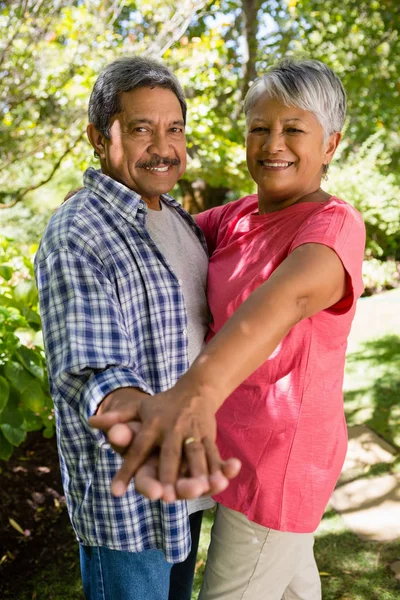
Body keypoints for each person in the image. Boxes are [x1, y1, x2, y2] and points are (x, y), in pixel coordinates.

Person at [90, 58, 366, 600]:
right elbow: (157, 221)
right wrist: (94, 200)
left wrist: (194, 393)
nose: (273, 143)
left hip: (277, 467)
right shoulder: (234, 219)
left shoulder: (333, 225)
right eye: (260, 127)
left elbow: (284, 299)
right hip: (238, 457)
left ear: (330, 145)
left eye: (294, 129)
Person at [34, 55, 239, 600]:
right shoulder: (78, 231)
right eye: (141, 129)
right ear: (99, 138)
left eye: (174, 129)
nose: (163, 146)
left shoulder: (177, 220)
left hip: (184, 490)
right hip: (128, 510)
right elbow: (91, 370)